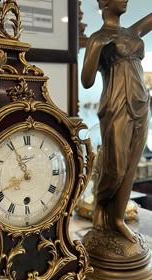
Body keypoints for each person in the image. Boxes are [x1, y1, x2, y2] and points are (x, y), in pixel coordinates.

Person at [81, 0, 152, 243]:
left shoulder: (133, 31)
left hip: (141, 103)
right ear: (104, 3)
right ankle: (100, 208)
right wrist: (96, 48)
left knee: (131, 166)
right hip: (117, 104)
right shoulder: (97, 37)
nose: (126, 0)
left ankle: (118, 220)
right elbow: (86, 81)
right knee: (115, 166)